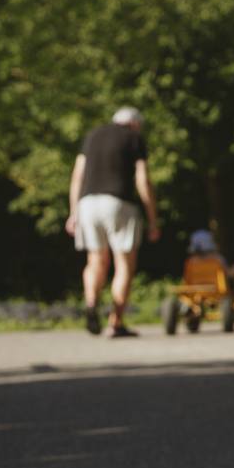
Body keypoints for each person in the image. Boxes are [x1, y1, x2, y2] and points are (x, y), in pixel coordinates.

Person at [66, 107, 160, 337]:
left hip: (87, 203)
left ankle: (91, 303)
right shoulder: (134, 138)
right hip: (119, 203)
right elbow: (142, 179)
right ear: (135, 124)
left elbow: (77, 176)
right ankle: (115, 322)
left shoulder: (93, 135)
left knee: (95, 260)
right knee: (124, 264)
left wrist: (73, 212)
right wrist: (152, 219)